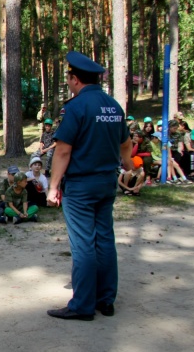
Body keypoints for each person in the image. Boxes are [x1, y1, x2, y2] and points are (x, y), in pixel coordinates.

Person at [46, 51, 133, 321]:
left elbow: (62, 152)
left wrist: (53, 186)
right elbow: (126, 143)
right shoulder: (113, 106)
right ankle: (106, 299)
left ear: (75, 79)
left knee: (83, 244)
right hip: (107, 183)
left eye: (69, 78)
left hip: (81, 186)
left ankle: (82, 305)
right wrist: (128, 166)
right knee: (105, 239)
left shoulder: (76, 107)